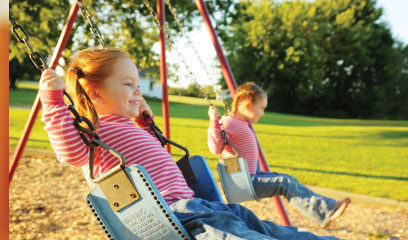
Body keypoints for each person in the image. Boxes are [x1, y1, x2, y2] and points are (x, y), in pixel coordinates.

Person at [40, 47, 340, 240]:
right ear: (94, 93)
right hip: (178, 215)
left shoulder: (125, 124)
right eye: (128, 84)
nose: (137, 91)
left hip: (201, 206)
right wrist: (52, 99)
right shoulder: (94, 134)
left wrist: (144, 121)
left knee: (269, 228)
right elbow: (67, 152)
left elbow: (144, 150)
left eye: (138, 84)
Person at [208, 82, 351, 228]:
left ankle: (328, 208)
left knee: (288, 180)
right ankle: (325, 212)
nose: (263, 113)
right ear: (248, 105)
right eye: (261, 108)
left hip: (253, 176)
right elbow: (215, 148)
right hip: (244, 182)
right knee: (285, 183)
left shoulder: (241, 122)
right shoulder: (228, 122)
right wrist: (214, 121)